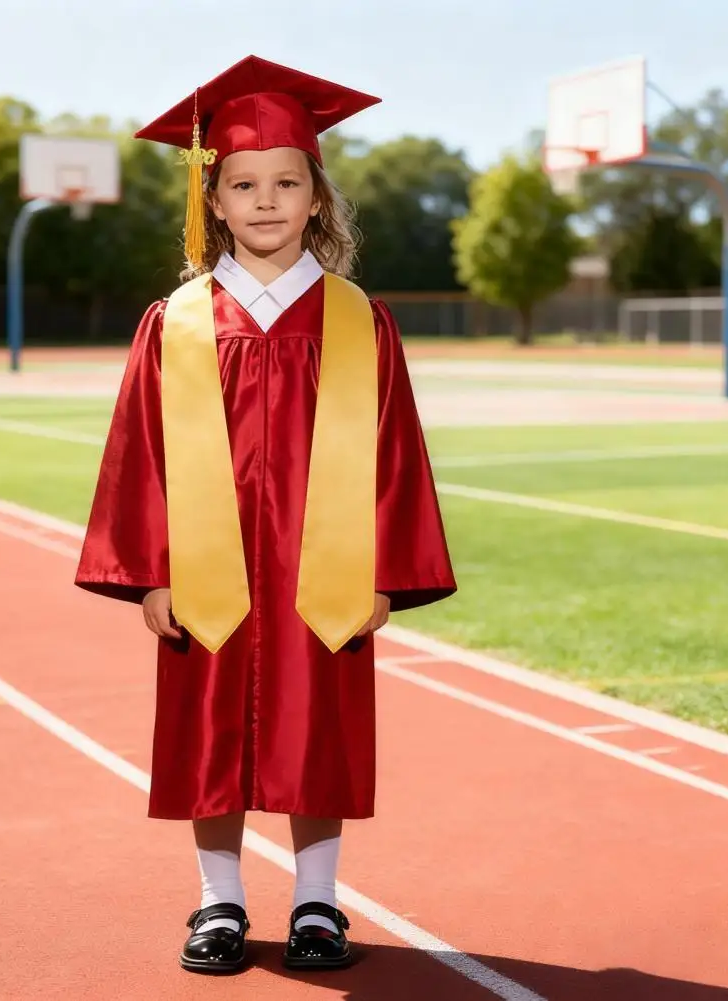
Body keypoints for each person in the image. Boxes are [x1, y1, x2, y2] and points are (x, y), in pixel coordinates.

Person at [75, 54, 456, 974]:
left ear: (318, 199)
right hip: (211, 572)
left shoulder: (359, 321)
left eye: (287, 182)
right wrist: (149, 570)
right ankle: (220, 903)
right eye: (242, 184)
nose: (265, 200)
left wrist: (384, 574)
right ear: (212, 202)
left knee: (314, 728)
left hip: (318, 570)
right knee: (208, 731)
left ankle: (318, 902)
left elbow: (393, 448)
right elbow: (141, 451)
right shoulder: (176, 321)